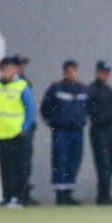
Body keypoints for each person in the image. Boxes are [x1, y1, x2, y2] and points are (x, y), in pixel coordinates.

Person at [0, 56, 36, 208]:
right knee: (5, 167)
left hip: (17, 133)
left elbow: (30, 109)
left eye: (11, 69)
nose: (8, 72)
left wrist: (24, 128)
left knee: (20, 166)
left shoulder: (21, 86)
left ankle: (19, 196)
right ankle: (7, 196)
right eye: (5, 69)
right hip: (0, 133)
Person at [40, 59, 89, 205]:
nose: (71, 73)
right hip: (61, 132)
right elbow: (45, 108)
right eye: (68, 71)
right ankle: (60, 194)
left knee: (74, 161)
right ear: (64, 72)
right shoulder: (56, 89)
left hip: (77, 131)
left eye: (73, 70)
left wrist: (82, 121)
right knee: (60, 161)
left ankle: (68, 192)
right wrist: (53, 122)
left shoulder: (83, 89)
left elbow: (88, 108)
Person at [87, 59, 112, 205]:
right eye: (103, 72)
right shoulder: (92, 89)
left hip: (111, 130)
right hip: (100, 130)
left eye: (107, 72)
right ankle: (103, 194)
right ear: (97, 72)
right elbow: (94, 112)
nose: (105, 75)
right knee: (103, 163)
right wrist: (109, 117)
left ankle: (105, 193)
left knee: (110, 163)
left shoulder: (108, 89)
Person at [12, 54, 39, 206]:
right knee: (14, 163)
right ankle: (15, 195)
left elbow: (30, 107)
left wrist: (27, 126)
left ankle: (23, 193)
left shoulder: (26, 83)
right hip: (13, 129)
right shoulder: (12, 84)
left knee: (25, 163)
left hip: (25, 129)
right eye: (19, 65)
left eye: (23, 65)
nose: (22, 68)